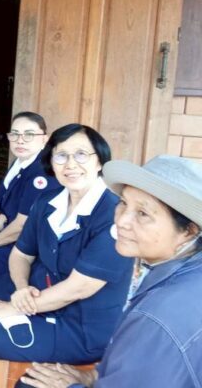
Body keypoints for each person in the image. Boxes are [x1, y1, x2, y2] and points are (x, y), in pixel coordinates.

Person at [0, 124, 133, 364]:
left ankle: (34, 319)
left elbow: (79, 288)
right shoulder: (47, 201)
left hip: (80, 319)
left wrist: (15, 307)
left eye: (81, 154)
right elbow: (21, 254)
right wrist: (21, 289)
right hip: (37, 288)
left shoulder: (113, 215)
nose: (70, 164)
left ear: (99, 161)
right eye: (61, 155)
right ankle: (29, 312)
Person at [17, 155, 202, 388]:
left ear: (188, 231)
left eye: (143, 214)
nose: (122, 221)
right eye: (123, 203)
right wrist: (92, 377)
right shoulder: (183, 270)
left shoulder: (159, 319)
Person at [0, 112, 60, 279]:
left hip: (33, 244)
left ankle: (26, 278)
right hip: (16, 233)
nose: (20, 140)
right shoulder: (21, 162)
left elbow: (22, 224)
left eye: (29, 135)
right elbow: (9, 214)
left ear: (44, 139)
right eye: (14, 134)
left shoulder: (41, 173)